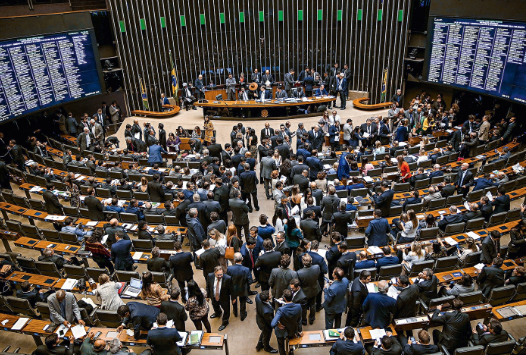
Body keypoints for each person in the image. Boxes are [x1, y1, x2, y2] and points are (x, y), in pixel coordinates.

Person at [271, 289, 303, 355]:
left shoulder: (281, 310)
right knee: (291, 343)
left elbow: (273, 323)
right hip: (292, 329)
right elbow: (299, 320)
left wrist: (278, 324)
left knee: (281, 346)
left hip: (282, 331)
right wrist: (300, 330)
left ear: (284, 298)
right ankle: (291, 352)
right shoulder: (298, 306)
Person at [227, 252, 253, 320]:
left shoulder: (229, 269)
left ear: (234, 260)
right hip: (243, 288)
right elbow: (250, 281)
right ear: (242, 259)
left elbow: (228, 279)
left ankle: (235, 312)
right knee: (243, 302)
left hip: (233, 289)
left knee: (234, 300)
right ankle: (242, 315)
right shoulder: (246, 269)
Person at [296, 253, 320, 325]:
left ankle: (304, 321)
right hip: (314, 289)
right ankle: (312, 319)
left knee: (304, 307)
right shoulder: (317, 267)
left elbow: (298, 284)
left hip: (304, 292)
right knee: (313, 305)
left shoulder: (299, 272)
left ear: (303, 262)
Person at [206, 266, 232, 331]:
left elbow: (231, 289)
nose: (220, 276)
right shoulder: (210, 276)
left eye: (221, 274)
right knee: (215, 306)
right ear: (214, 273)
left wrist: (233, 298)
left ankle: (225, 322)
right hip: (214, 296)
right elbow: (208, 286)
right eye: (218, 275)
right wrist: (208, 296)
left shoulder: (228, 278)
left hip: (224, 298)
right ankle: (218, 313)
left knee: (226, 310)